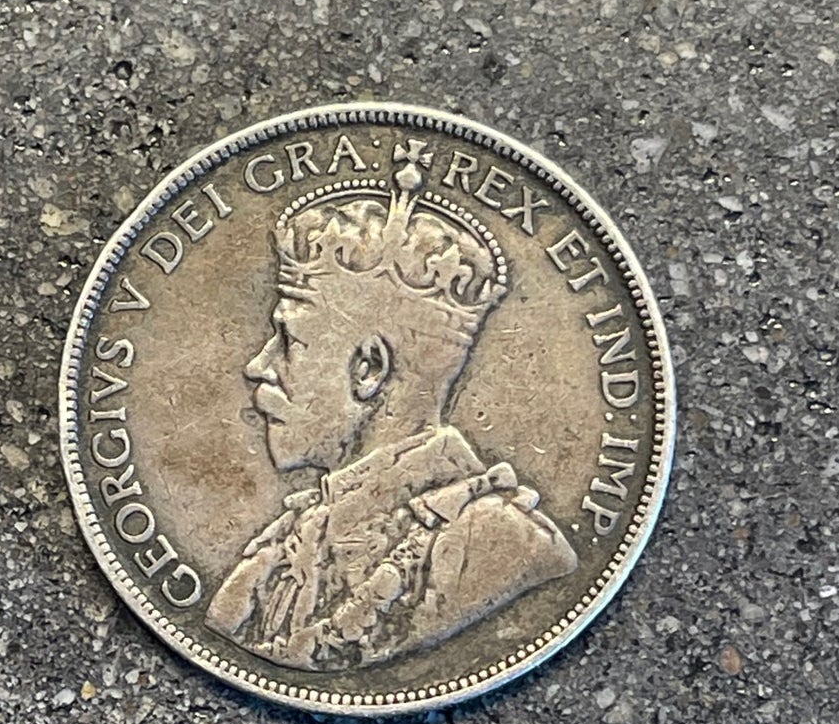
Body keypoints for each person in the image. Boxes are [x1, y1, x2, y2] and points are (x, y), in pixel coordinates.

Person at [206, 140, 577, 670]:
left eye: (288, 342)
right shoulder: (299, 531)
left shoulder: (500, 541)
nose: (259, 366)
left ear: (368, 370)